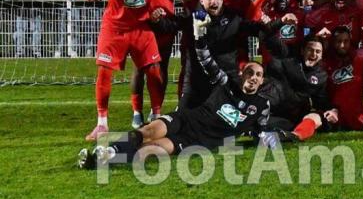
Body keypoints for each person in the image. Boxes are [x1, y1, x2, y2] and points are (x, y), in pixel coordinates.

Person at [72, 0, 182, 140]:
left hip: (141, 27)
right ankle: (102, 124)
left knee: (155, 71)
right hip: (115, 29)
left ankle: (156, 116)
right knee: (104, 72)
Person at [78, 61, 272, 168]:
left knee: (150, 149)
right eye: (250, 72)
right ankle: (108, 149)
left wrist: (266, 137)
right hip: (187, 119)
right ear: (242, 74)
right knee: (149, 131)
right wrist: (199, 33)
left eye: (258, 75)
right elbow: (207, 60)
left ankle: (104, 158)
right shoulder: (226, 83)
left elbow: (261, 131)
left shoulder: (262, 106)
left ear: (262, 81)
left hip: (198, 140)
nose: (253, 77)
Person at [151, 0, 284, 110]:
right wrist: (157, 20)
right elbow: (170, 26)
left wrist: (276, 23)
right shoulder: (192, 17)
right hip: (196, 80)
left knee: (228, 124)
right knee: (183, 119)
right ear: (202, 1)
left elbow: (257, 30)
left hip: (226, 79)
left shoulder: (233, 17)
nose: (214, 2)